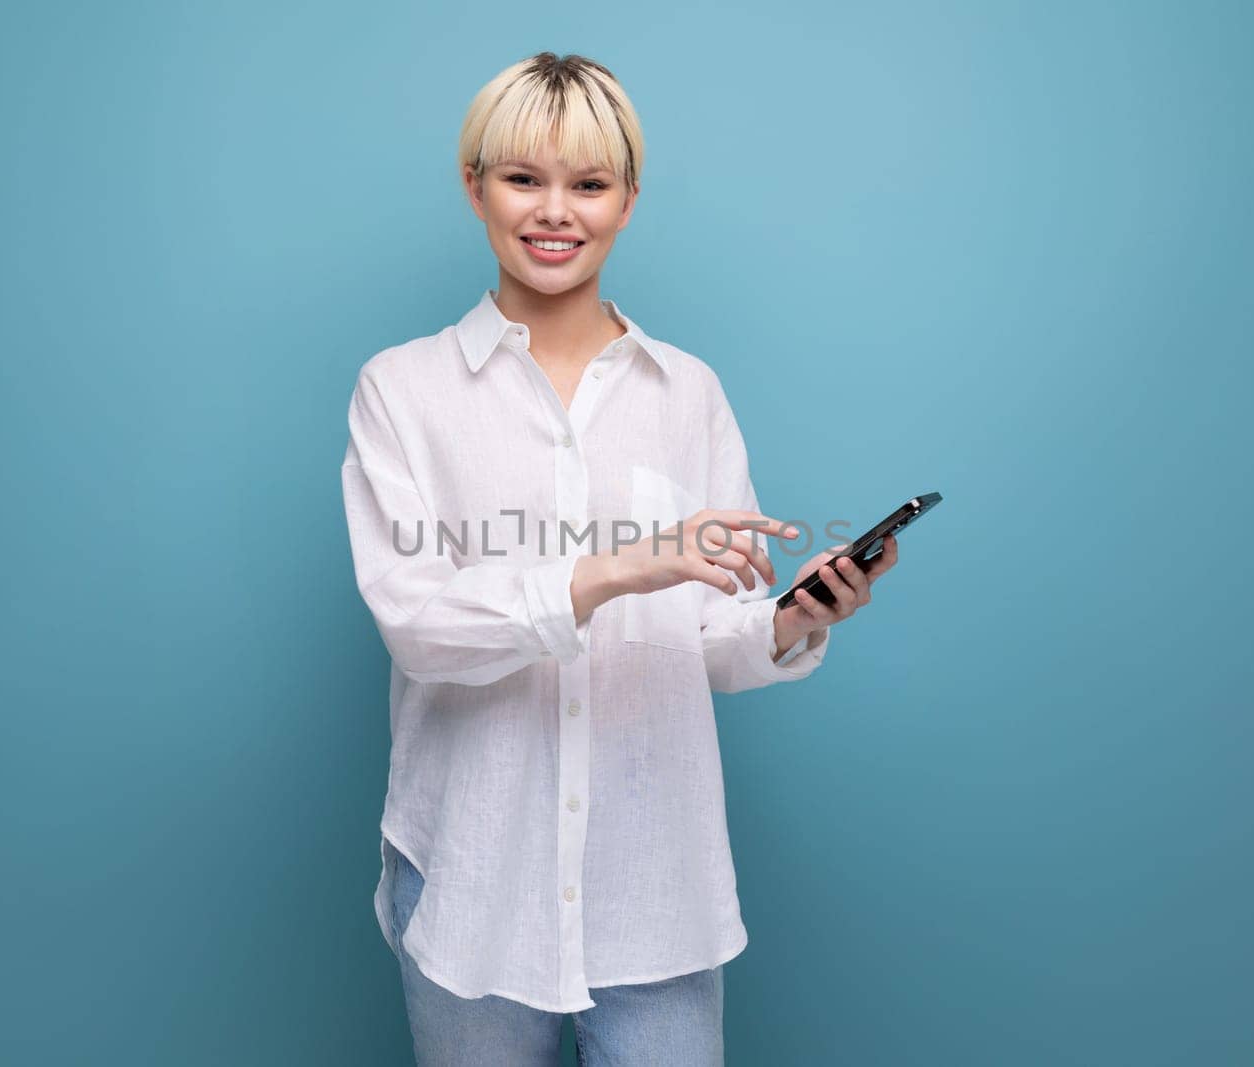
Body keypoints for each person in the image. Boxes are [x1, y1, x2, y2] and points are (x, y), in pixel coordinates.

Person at [339, 51, 898, 1066]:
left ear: (628, 200)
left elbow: (710, 641)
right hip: (472, 877)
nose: (556, 211)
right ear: (474, 187)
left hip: (655, 885)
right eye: (523, 178)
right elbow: (419, 627)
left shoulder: (687, 394)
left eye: (589, 184)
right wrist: (617, 568)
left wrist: (793, 616)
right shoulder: (402, 390)